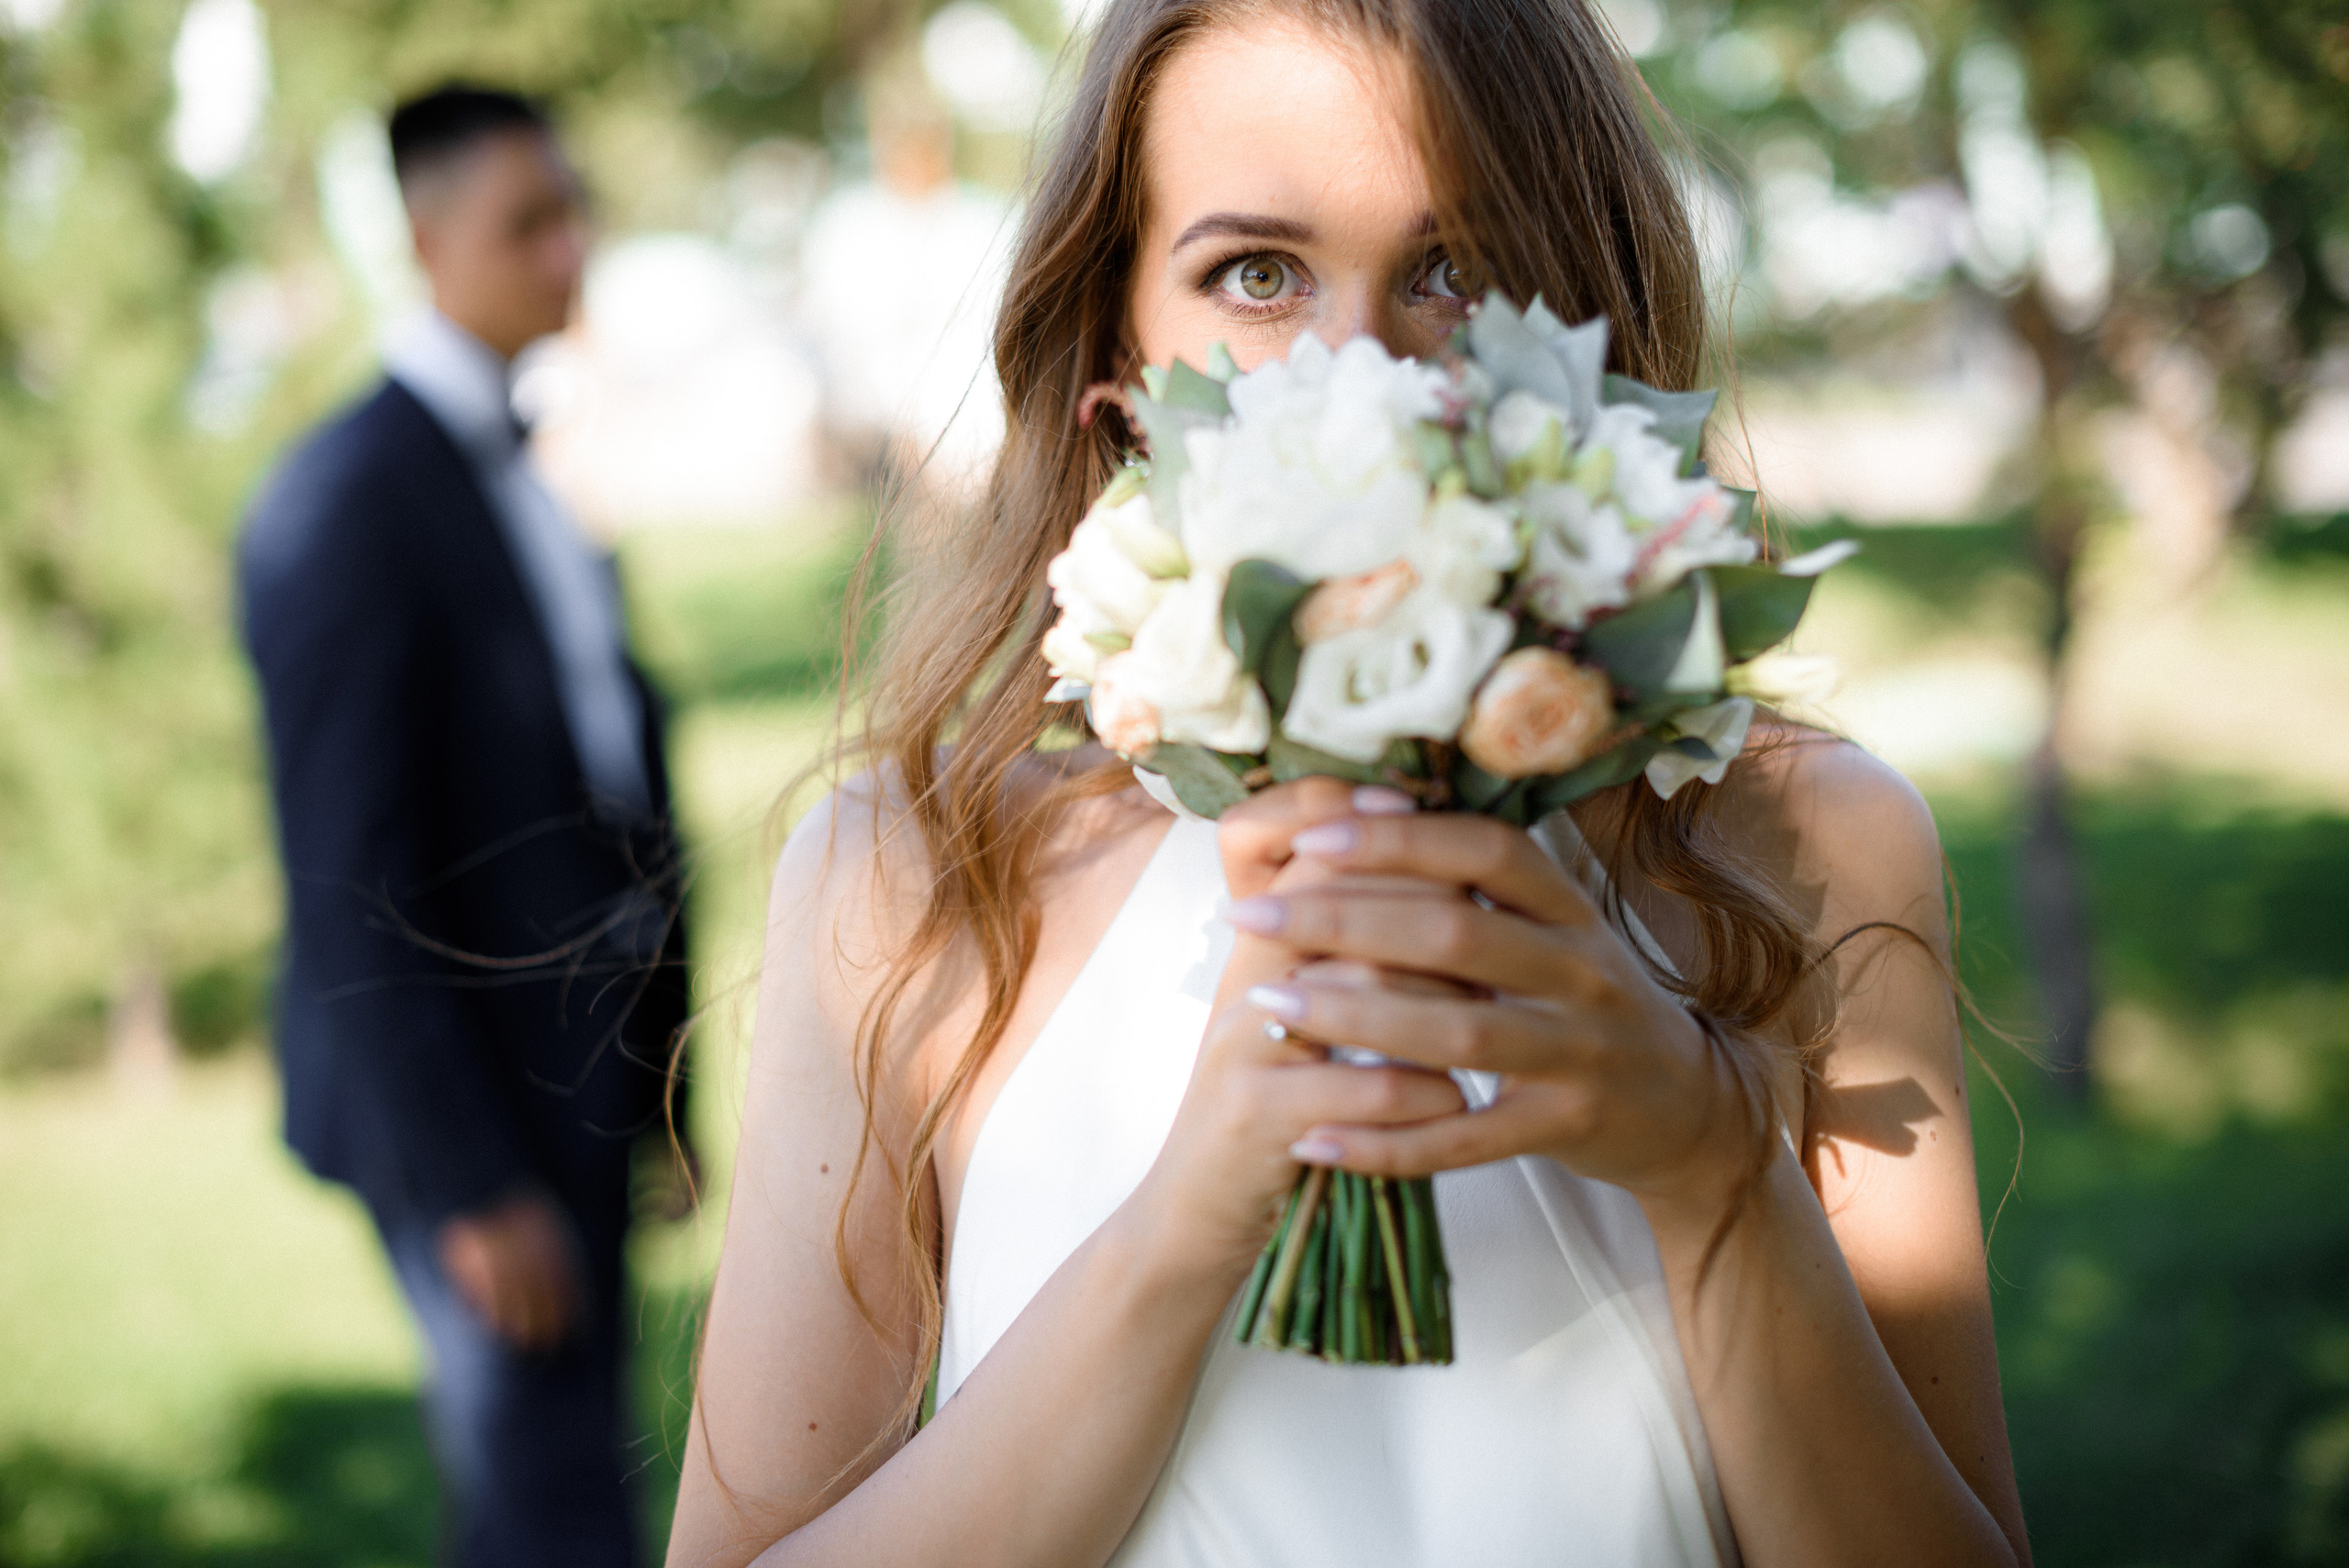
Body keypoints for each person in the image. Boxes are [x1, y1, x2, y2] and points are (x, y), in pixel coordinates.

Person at [668, 2, 2032, 1564]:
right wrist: (1182, 1228)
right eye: (1257, 276)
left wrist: (1714, 1171)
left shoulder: (1808, 840)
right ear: (1120, 354)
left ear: (1589, 328)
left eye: (1455, 271)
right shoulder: (915, 876)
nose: (1365, 377)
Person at [239, 85, 688, 1568]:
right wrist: (470, 1186)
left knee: (550, 1491)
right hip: (476, 1101)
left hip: (587, 1065)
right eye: (528, 224)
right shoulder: (345, 501)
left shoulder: (537, 457)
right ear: (428, 243)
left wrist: (672, 1079)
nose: (571, 251)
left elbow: (603, 758)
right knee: (557, 1501)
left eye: (574, 211)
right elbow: (342, 875)